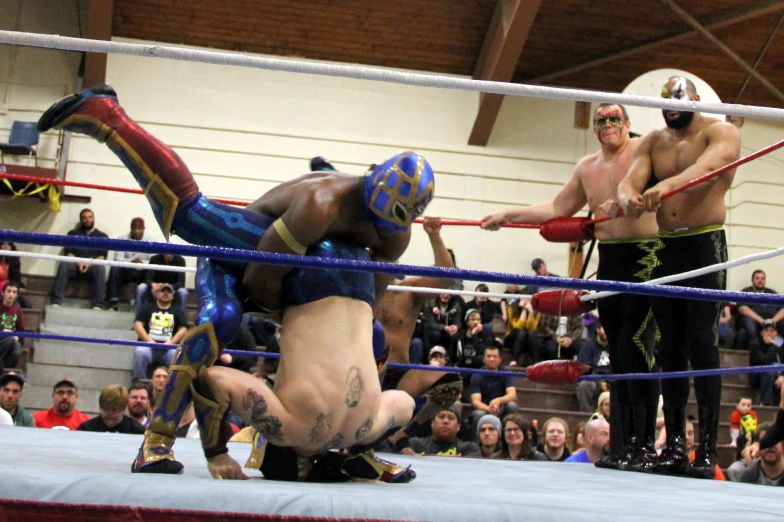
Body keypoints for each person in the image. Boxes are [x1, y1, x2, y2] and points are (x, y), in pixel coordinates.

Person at [38, 84, 433, 480]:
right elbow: (262, 279)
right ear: (369, 186)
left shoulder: (395, 235)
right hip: (248, 262)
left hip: (310, 277)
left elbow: (367, 300)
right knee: (205, 259)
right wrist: (300, 316)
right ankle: (107, 117)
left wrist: (329, 319)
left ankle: (358, 453)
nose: (377, 228)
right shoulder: (321, 204)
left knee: (375, 336)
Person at [484, 102, 661, 473]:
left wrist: (630, 202)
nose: (607, 125)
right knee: (618, 348)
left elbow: (666, 197)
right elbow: (556, 207)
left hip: (647, 257)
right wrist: (507, 215)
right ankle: (624, 444)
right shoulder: (587, 167)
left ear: (628, 123)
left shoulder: (646, 153)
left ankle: (643, 445)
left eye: (614, 119)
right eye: (600, 121)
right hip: (610, 259)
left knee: (637, 346)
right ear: (594, 128)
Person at [618, 76, 741, 479]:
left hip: (705, 244)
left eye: (678, 100)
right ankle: (672, 445)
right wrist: (629, 197)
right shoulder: (654, 141)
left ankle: (706, 450)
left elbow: (707, 172)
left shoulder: (720, 131)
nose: (671, 109)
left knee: (702, 344)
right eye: (665, 103)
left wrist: (666, 185)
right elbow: (631, 179)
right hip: (666, 247)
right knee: (668, 347)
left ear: (695, 99)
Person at [48, 208, 109, 310]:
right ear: (81, 219)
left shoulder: (102, 236)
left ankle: (98, 304)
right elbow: (68, 253)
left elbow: (102, 256)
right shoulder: (72, 234)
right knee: (64, 264)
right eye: (84, 218)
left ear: (94, 218)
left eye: (90, 217)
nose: (87, 220)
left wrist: (88, 264)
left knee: (100, 268)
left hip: (92, 266)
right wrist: (79, 263)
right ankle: (56, 301)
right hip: (75, 265)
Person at [131, 282, 188, 382]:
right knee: (140, 352)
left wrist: (171, 342)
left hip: (169, 348)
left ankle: (174, 385)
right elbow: (137, 324)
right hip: (148, 346)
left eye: (169, 291)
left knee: (176, 354)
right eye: (163, 291)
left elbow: (183, 329)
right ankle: (139, 383)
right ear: (157, 294)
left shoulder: (178, 310)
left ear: (172, 296)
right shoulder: (147, 307)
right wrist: (149, 340)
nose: (165, 293)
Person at [107, 217, 156, 311]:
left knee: (151, 271)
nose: (136, 231)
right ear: (131, 228)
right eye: (134, 228)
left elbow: (153, 260)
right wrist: (131, 262)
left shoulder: (151, 240)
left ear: (144, 228)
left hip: (142, 271)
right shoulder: (122, 239)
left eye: (139, 228)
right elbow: (117, 258)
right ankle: (113, 302)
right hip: (127, 270)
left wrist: (142, 263)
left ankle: (145, 306)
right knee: (115, 268)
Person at [467, 347, 518, 435]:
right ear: (483, 359)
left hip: (501, 409)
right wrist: (489, 409)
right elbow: (475, 401)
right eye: (489, 356)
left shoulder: (506, 372)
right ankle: (477, 443)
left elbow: (513, 395)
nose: (491, 359)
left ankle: (508, 435)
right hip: (484, 409)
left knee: (512, 405)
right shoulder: (476, 375)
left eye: (494, 356)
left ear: (500, 359)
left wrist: (498, 400)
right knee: (478, 414)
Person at [399, 405, 481, 457]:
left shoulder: (469, 448)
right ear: (432, 422)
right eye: (441, 417)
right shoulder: (414, 444)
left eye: (451, 418)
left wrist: (419, 456)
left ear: (458, 426)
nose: (445, 421)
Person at [737, 270, 784, 344]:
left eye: (762, 279)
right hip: (754, 320)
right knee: (749, 323)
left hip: (772, 321)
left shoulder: (772, 292)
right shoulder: (746, 292)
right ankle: (756, 351)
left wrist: (772, 321)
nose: (760, 281)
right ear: (752, 280)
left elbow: (783, 309)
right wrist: (762, 321)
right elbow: (742, 309)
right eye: (757, 278)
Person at [78, 384, 146, 434]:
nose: (110, 418)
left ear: (123, 409)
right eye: (107, 411)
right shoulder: (86, 429)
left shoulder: (137, 431)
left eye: (114, 412)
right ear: (101, 408)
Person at [576, 321, 611, 413]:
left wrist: (610, 381)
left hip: (613, 380)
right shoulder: (588, 346)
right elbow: (585, 368)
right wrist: (600, 382)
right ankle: (587, 415)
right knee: (584, 385)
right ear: (598, 329)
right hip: (594, 380)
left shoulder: (617, 347)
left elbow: (620, 367)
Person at [749, 320, 784, 406]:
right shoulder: (755, 344)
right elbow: (764, 361)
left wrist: (782, 376)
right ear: (761, 333)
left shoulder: (781, 346)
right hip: (758, 375)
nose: (769, 333)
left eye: (772, 331)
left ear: (776, 333)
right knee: (769, 371)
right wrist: (773, 347)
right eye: (766, 331)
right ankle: (765, 403)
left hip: (778, 374)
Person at [737, 422, 784, 486]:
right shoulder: (747, 476)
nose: (770, 446)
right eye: (765, 442)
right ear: (757, 447)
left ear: (782, 445)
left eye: (774, 441)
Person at [0, 282, 25, 372]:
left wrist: (17, 337)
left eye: (14, 292)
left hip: (11, 340)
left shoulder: (18, 311)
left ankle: (2, 369)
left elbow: (21, 332)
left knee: (17, 349)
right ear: (3, 293)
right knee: (10, 339)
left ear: (17, 295)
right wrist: (4, 331)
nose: (11, 294)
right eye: (9, 291)